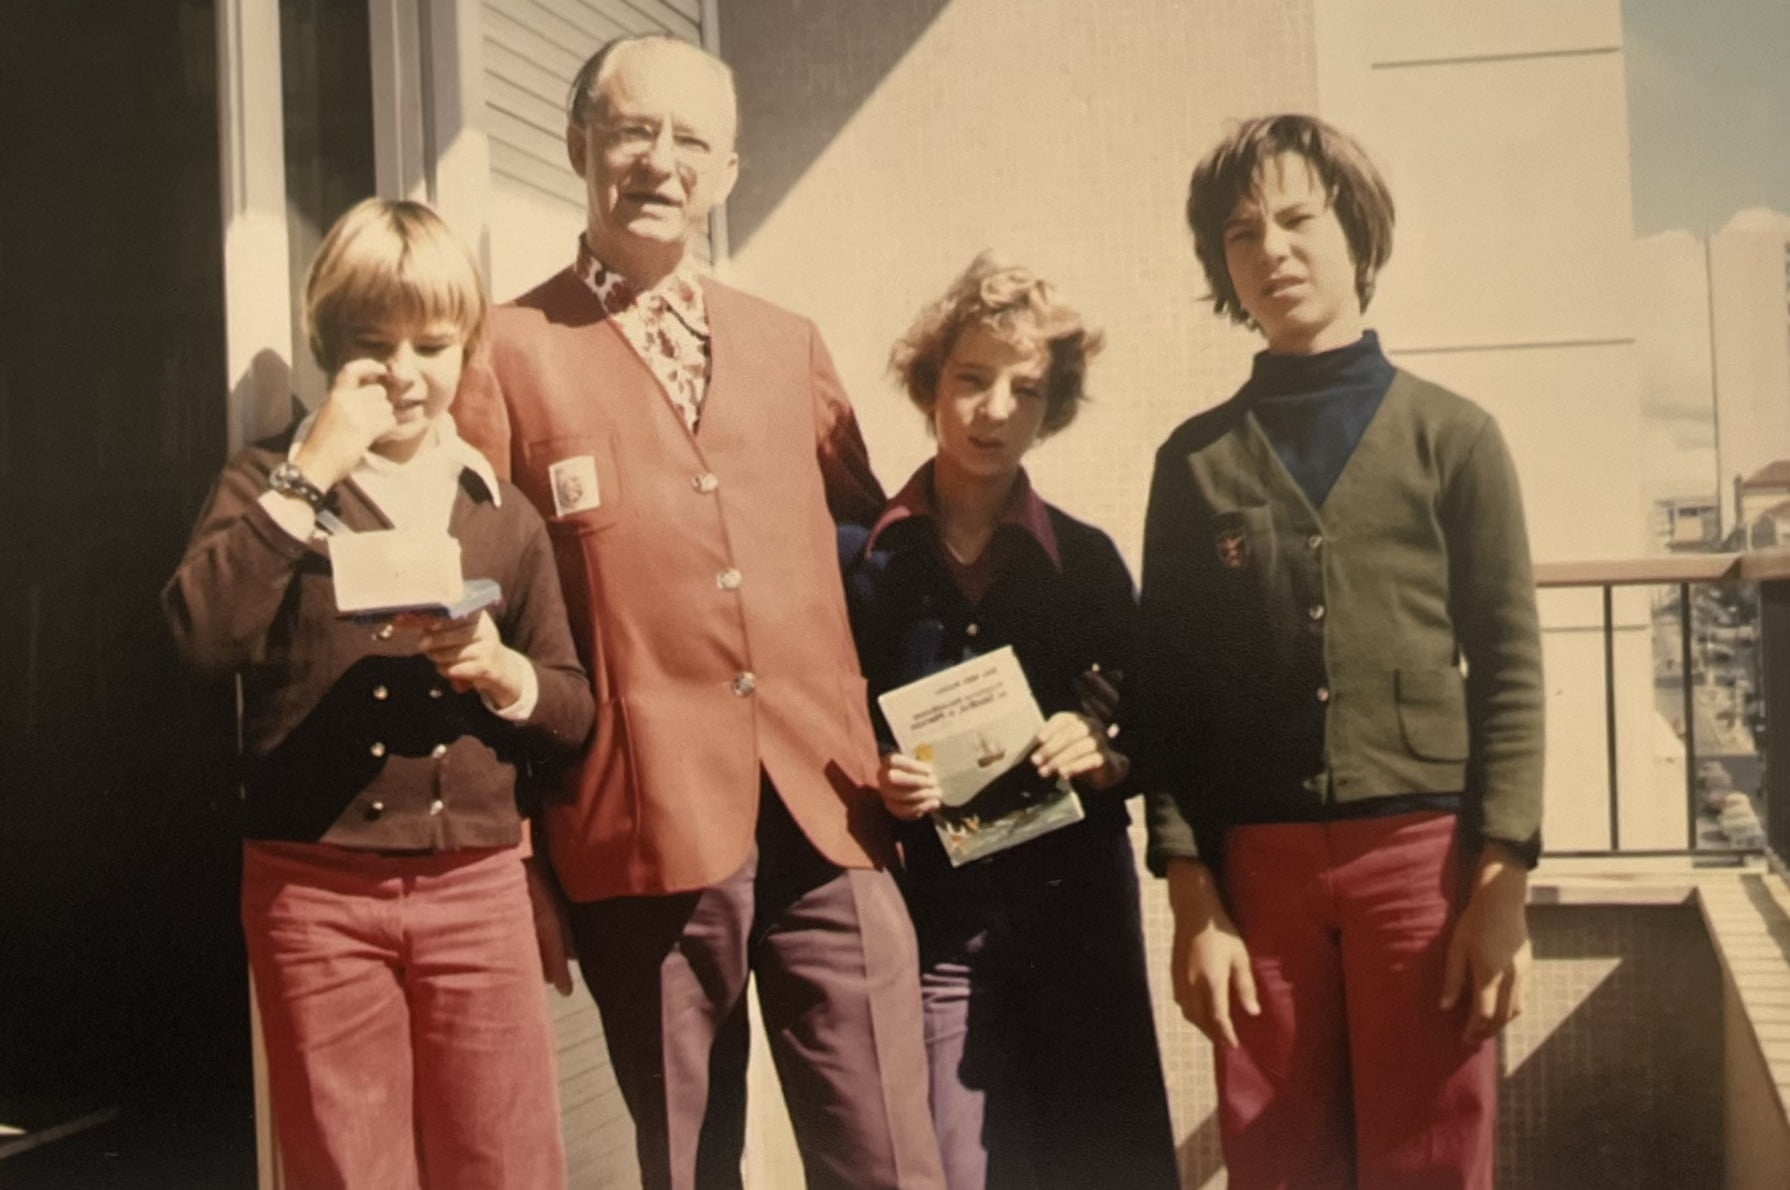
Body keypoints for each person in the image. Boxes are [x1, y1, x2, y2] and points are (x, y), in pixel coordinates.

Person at [452, 33, 944, 1190]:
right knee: (686, 1165)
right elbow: (480, 623)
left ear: (726, 171)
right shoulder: (505, 352)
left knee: (888, 1157)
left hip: (831, 813)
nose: (658, 161)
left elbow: (880, 569)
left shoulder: (787, 342)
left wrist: (933, 735)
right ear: (578, 145)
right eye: (632, 131)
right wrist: (514, 855)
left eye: (689, 140)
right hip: (639, 833)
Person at [1132, 114, 1545, 1189]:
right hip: (1256, 873)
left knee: (1430, 1152)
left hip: (1423, 863)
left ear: (1355, 231)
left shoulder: (1454, 437)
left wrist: (1499, 881)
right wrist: (1192, 897)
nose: (1270, 249)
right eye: (1240, 232)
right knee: (1277, 1158)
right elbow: (1169, 697)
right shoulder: (1193, 463)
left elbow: (1508, 667)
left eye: (1296, 218)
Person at [163, 197, 591, 1190]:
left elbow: (572, 708)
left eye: (431, 346)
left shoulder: (499, 510)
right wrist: (312, 469)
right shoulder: (268, 482)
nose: (404, 372)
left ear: (466, 348)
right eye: (372, 344)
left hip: (476, 888)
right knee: (348, 1168)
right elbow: (199, 636)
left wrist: (504, 670)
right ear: (328, 347)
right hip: (312, 891)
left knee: (504, 1162)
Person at [843, 255, 1178, 1190]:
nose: (994, 411)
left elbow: (1153, 724)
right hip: (939, 928)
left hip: (1078, 921)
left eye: (1025, 390)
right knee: (951, 1167)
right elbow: (829, 726)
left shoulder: (1088, 563)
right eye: (971, 379)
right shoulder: (864, 565)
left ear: (1051, 408)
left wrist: (1106, 754)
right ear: (929, 385)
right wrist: (879, 774)